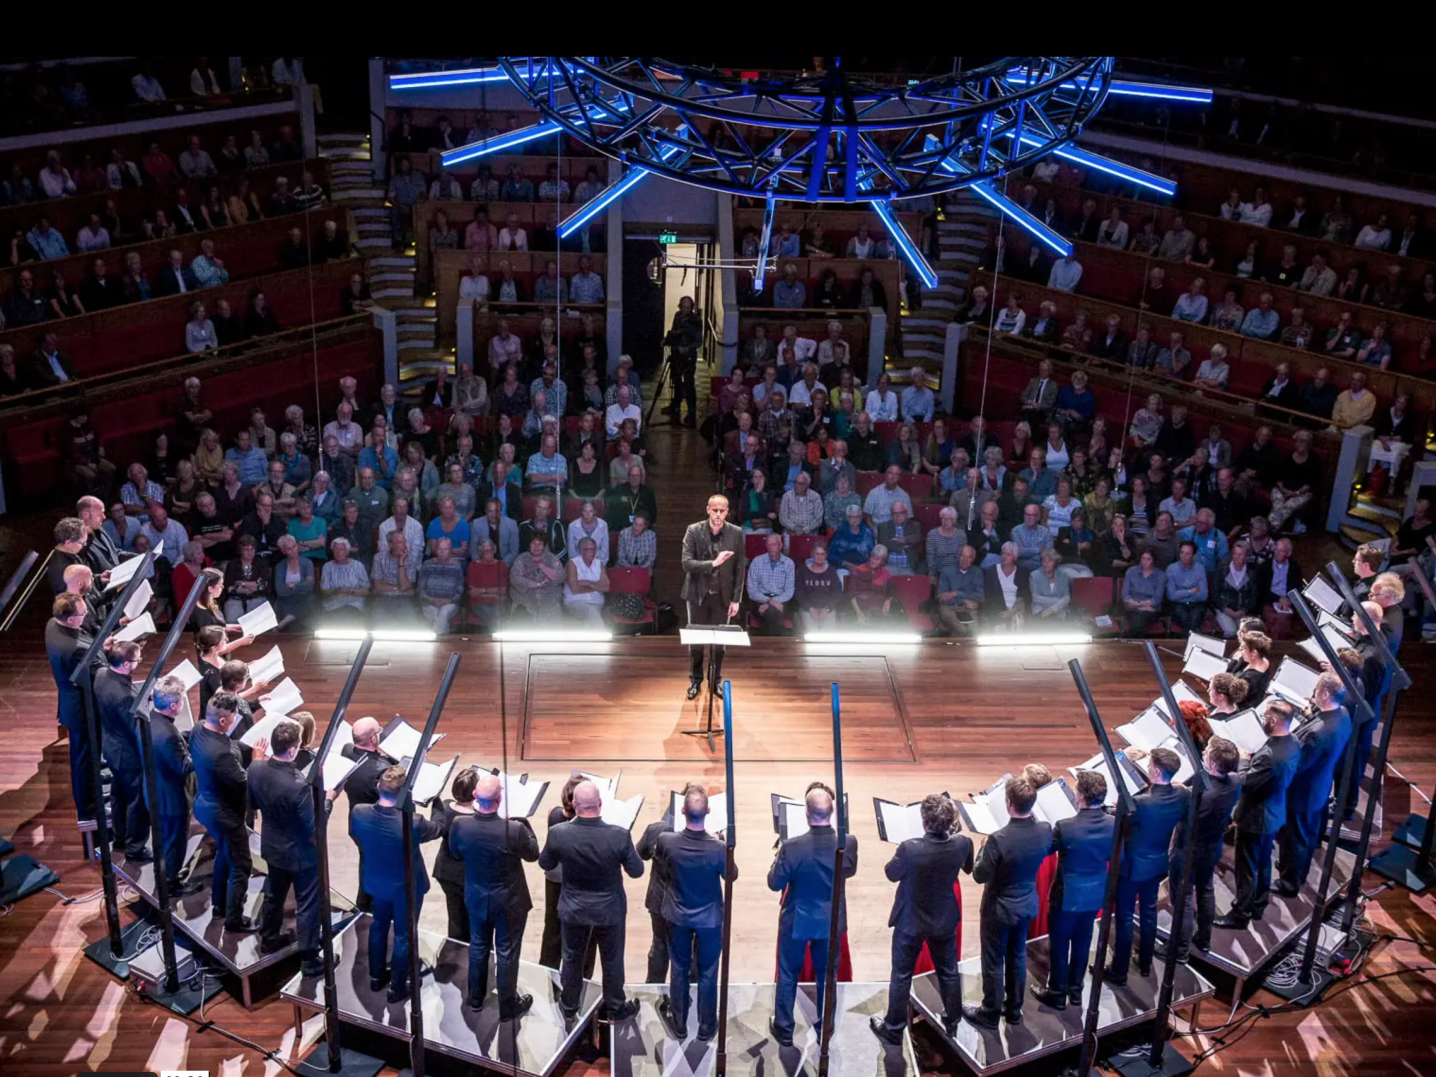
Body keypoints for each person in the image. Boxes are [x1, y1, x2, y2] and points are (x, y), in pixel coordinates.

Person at [539, 779, 644, 1020]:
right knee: (612, 960)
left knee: (572, 957)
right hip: (610, 909)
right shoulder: (619, 835)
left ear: (574, 805)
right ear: (600, 803)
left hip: (574, 908)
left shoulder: (558, 833)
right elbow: (637, 871)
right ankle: (616, 1008)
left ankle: (568, 1007)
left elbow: (545, 863)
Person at [872, 793, 972, 1043]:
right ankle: (953, 1019)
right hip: (944, 918)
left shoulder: (909, 848)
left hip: (911, 921)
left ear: (925, 822)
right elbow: (968, 868)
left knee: (902, 974)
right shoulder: (963, 843)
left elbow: (890, 874)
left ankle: (893, 1028)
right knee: (948, 971)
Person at [767, 784, 859, 1047]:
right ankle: (826, 1027)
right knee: (827, 974)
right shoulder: (848, 842)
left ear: (806, 814)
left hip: (797, 919)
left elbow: (775, 882)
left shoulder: (792, 847)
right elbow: (848, 872)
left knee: (787, 973)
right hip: (830, 921)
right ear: (833, 813)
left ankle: (784, 1028)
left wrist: (780, 859)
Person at [351, 766, 448, 1003]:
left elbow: (358, 836)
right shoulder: (412, 822)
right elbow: (438, 828)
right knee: (404, 934)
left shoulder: (359, 812)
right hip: (405, 886)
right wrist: (437, 803)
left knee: (379, 925)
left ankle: (375, 977)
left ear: (378, 787)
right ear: (406, 793)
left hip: (376, 880)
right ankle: (397, 986)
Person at [964, 775, 1052, 1030]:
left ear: (1008, 803)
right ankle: (1014, 1010)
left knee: (993, 960)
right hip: (1026, 904)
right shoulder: (1044, 830)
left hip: (999, 909)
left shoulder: (997, 839)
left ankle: (990, 1013)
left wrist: (983, 847)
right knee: (1017, 955)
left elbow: (980, 875)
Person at [449, 772, 540, 1016]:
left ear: (476, 797)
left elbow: (455, 853)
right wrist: (524, 823)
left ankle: (476, 998)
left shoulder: (459, 824)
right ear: (500, 800)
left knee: (478, 946)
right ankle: (508, 1006)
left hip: (477, 897)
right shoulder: (515, 829)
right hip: (509, 900)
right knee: (506, 951)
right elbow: (534, 854)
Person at [248, 718, 328, 976]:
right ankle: (310, 961)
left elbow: (253, 803)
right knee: (307, 905)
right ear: (294, 750)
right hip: (301, 854)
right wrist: (327, 799)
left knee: (274, 894)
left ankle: (269, 939)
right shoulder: (299, 785)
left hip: (272, 846)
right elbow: (313, 826)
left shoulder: (256, 768)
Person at [653, 785, 733, 1040]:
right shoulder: (718, 848)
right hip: (709, 918)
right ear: (708, 811)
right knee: (708, 971)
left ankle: (679, 1023)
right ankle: (707, 1026)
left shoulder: (667, 841)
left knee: (679, 967)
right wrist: (723, 843)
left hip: (678, 916)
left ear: (683, 811)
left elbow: (663, 872)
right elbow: (731, 875)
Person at [1030, 769, 1113, 1010]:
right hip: (1095, 893)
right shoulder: (1113, 823)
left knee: (1059, 944)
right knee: (1083, 940)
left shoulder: (1066, 826)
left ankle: (1057, 992)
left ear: (1080, 797)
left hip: (1066, 896)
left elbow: (1046, 849)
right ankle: (1076, 991)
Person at [1216, 699, 1301, 930]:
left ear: (1273, 721)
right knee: (1263, 862)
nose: (1262, 720)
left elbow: (1245, 781)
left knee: (1246, 869)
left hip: (1255, 817)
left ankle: (1240, 914)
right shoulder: (1292, 741)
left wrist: (1244, 759)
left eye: (1264, 717)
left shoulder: (1269, 755)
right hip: (1274, 811)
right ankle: (1258, 905)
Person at [1106, 747, 1188, 986]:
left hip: (1132, 867)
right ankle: (1144, 963)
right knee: (1149, 912)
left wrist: (1113, 808)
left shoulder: (1141, 802)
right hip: (1157, 863)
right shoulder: (1181, 796)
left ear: (1156, 770)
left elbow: (1119, 820)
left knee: (1125, 917)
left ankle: (1119, 971)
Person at [1166, 737, 1242, 964]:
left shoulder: (1200, 797)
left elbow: (1182, 813)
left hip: (1187, 850)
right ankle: (1204, 939)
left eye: (1207, 750)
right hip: (1212, 847)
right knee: (1206, 891)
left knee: (1184, 900)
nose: (1204, 751)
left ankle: (1179, 952)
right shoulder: (1236, 781)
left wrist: (1180, 792)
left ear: (1211, 762)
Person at [1276, 673, 1352, 896]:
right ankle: (1297, 869)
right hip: (1320, 783)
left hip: (1303, 791)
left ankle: (1289, 883)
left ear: (1325, 694)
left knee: (1295, 836)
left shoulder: (1316, 734)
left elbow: (1297, 766)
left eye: (1316, 691)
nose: (1312, 695)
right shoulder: (1343, 714)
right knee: (1306, 834)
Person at [191, 691, 257, 933]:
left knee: (224, 855)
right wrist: (257, 761)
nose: (237, 719)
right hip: (225, 814)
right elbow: (244, 782)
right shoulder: (223, 755)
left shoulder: (199, 728)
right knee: (241, 866)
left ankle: (220, 905)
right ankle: (234, 919)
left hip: (206, 804)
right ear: (222, 721)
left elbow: (232, 745)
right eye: (234, 717)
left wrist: (249, 747)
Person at [681, 495, 745, 700]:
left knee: (720, 644)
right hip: (697, 594)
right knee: (696, 643)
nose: (718, 514)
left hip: (722, 596)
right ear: (708, 509)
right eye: (715, 510)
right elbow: (687, 563)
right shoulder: (694, 530)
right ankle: (695, 681)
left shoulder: (735, 533)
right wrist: (713, 563)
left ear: (727, 512)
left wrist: (736, 599)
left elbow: (739, 568)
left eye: (722, 511)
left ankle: (716, 680)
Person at [95, 639, 149, 861]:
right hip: (127, 755)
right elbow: (134, 729)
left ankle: (118, 838)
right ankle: (135, 849)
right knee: (137, 802)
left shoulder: (101, 674)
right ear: (126, 664)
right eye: (137, 659)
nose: (140, 662)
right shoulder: (125, 697)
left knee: (118, 795)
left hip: (110, 747)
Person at [47, 594, 98, 824]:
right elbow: (94, 678)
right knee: (82, 760)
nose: (85, 615)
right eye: (81, 614)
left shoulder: (52, 624)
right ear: (68, 619)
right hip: (80, 710)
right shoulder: (72, 647)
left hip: (70, 702)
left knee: (84, 757)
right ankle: (88, 810)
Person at [148, 676, 198, 893]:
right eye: (182, 700)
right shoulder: (167, 735)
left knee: (165, 838)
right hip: (171, 797)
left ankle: (166, 874)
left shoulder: (152, 719)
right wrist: (202, 751)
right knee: (175, 841)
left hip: (156, 788)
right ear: (173, 705)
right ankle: (170, 882)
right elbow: (184, 766)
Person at [747, 533, 795, 635]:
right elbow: (752, 590)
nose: (771, 547)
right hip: (760, 599)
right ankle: (779, 644)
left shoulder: (788, 563)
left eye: (774, 544)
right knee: (772, 612)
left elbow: (789, 591)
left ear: (780, 546)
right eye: (769, 545)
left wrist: (772, 602)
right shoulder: (757, 561)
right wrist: (769, 601)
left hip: (782, 599)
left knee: (769, 612)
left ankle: (768, 646)